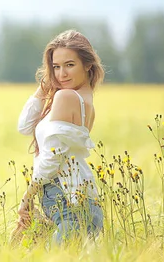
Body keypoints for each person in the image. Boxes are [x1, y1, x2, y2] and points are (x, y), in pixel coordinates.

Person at [15, 29, 105, 245]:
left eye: (70, 65)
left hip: (68, 206)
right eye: (56, 67)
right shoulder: (86, 101)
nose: (61, 74)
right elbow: (25, 125)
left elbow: (51, 158)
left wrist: (27, 198)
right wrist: (47, 83)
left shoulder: (66, 97)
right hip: (80, 203)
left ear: (88, 64)